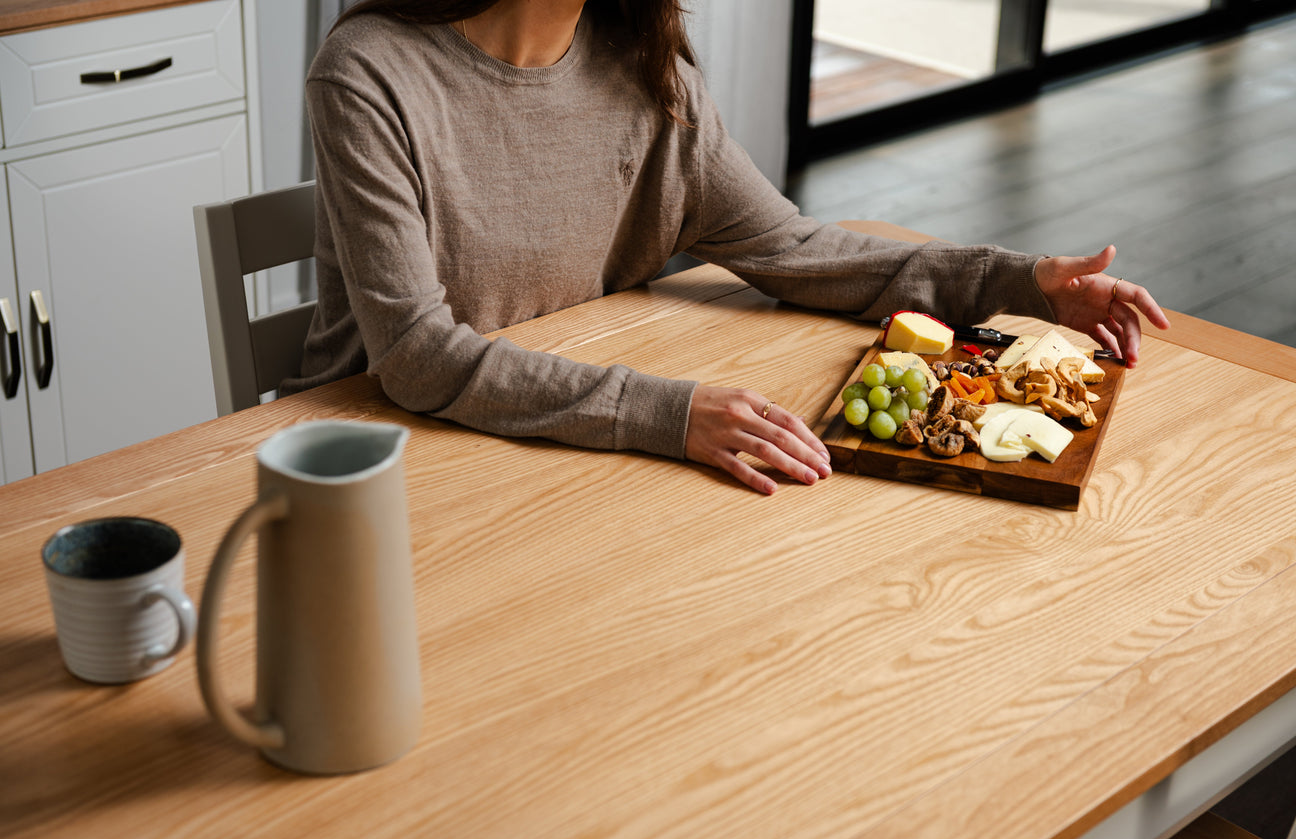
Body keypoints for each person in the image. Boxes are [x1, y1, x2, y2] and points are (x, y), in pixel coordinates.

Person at [281, 0, 1170, 495]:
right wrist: (666, 413)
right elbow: (416, 358)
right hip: (376, 465)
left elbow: (790, 247)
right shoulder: (368, 70)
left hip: (547, 457)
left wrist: (1023, 282)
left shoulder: (646, 67)